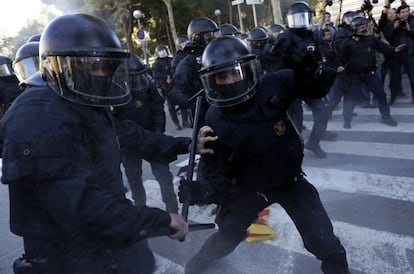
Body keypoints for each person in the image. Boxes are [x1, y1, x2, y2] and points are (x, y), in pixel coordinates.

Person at [1, 13, 191, 274]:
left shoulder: (79, 99)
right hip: (70, 258)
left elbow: (130, 135)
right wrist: (163, 220)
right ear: (59, 66)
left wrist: (185, 145)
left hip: (107, 247)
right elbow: (84, 209)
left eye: (107, 67)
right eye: (92, 66)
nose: (102, 74)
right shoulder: (37, 116)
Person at [178, 35, 350, 274]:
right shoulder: (215, 119)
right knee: (227, 238)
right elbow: (218, 172)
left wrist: (305, 63)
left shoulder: (273, 84)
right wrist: (203, 191)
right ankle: (201, 261)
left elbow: (319, 87)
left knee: (324, 242)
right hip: (249, 189)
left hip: (291, 181)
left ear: (249, 70)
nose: (230, 81)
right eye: (222, 76)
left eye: (235, 72)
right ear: (212, 81)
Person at [268, 1, 337, 158]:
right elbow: (274, 62)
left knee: (323, 113)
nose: (301, 21)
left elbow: (319, 57)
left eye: (303, 17)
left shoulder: (312, 36)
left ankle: (314, 143)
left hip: (309, 84)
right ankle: (294, 151)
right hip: (291, 87)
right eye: (297, 17)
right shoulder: (284, 37)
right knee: (295, 123)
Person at [114, 53, 179, 213]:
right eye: (133, 78)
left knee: (165, 177)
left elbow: (158, 108)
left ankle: (173, 211)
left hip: (152, 136)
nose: (138, 81)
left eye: (139, 77)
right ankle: (141, 211)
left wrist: (158, 132)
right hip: (130, 144)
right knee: (135, 180)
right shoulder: (116, 92)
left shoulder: (147, 85)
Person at [335, 15, 403, 128]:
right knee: (351, 97)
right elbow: (338, 57)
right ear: (354, 28)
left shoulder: (369, 39)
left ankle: (386, 117)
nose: (364, 28)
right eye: (361, 26)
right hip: (353, 74)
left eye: (364, 26)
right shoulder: (346, 43)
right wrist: (339, 67)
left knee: (381, 94)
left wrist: (394, 49)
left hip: (369, 73)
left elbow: (383, 47)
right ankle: (347, 119)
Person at [168, 17, 220, 125]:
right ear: (197, 37)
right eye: (208, 35)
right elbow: (174, 90)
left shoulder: (219, 54)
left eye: (215, 34)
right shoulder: (188, 62)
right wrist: (186, 100)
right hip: (205, 113)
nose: (213, 38)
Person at [152, 44, 184, 130]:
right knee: (171, 105)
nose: (164, 53)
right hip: (165, 87)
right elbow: (155, 75)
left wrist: (173, 76)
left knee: (182, 101)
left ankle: (186, 121)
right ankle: (176, 123)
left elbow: (175, 69)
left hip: (175, 84)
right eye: (161, 52)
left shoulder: (170, 60)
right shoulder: (156, 64)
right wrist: (165, 77)